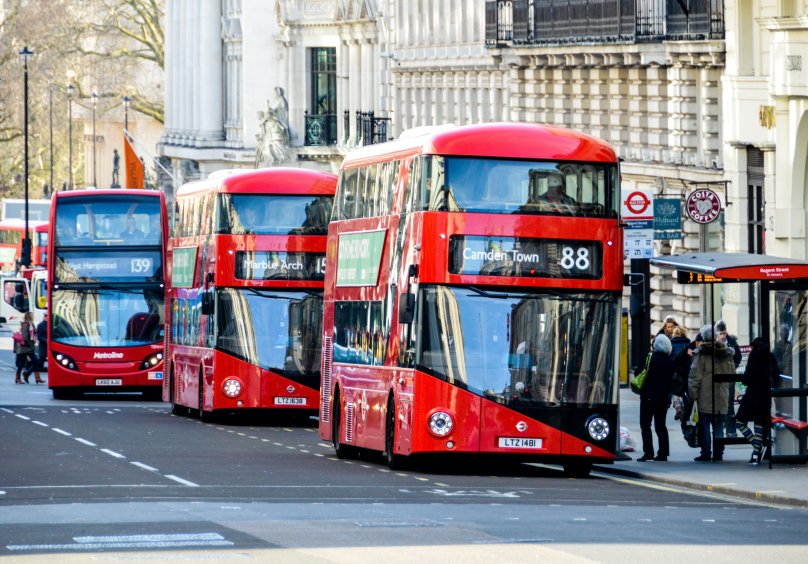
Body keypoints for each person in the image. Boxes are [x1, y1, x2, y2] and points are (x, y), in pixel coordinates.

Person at [689, 324, 736, 461]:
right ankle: (718, 453)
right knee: (719, 426)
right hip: (722, 396)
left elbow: (695, 377)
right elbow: (732, 375)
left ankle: (706, 453)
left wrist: (693, 395)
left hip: (705, 396)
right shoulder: (726, 353)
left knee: (704, 426)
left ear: (703, 337)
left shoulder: (701, 354)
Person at [736, 337, 779, 465]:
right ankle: (755, 454)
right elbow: (775, 375)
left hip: (752, 395)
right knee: (759, 423)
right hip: (765, 395)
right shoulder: (770, 356)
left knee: (739, 421)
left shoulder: (754, 356)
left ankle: (756, 446)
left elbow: (747, 378)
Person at [637, 334, 676, 461]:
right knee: (661, 426)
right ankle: (663, 453)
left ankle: (648, 452)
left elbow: (638, 372)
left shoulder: (650, 358)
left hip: (648, 397)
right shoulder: (670, 361)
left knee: (645, 425)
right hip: (663, 398)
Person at [715, 320, 742, 436]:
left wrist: (733, 367)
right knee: (718, 405)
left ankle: (731, 431)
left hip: (729, 378)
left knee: (730, 405)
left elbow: (738, 357)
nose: (722, 336)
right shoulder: (713, 344)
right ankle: (719, 430)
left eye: (724, 333)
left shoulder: (732, 343)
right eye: (720, 334)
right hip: (717, 379)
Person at [15, 312, 44, 384]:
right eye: (32, 316)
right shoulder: (26, 324)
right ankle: (18, 378)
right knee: (21, 364)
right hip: (25, 348)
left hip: (30, 348)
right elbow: (24, 336)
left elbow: (33, 334)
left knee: (36, 362)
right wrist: (29, 343)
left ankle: (36, 377)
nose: (33, 316)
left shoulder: (31, 324)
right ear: (29, 316)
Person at [669, 325, 691, 420]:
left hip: (675, 371)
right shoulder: (689, 344)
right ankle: (686, 408)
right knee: (687, 390)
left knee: (675, 390)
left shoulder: (671, 344)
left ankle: (678, 407)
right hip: (687, 371)